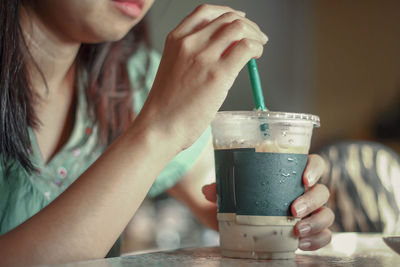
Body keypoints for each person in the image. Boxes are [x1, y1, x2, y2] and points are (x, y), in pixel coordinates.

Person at [0, 1, 334, 265]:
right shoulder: (149, 99)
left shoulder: (134, 81)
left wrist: (295, 204)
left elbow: (219, 201)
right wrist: (158, 130)